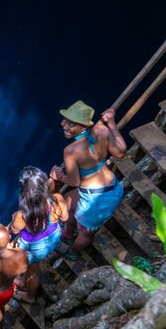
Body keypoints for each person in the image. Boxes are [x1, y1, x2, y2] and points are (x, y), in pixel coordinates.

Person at [51, 101, 127, 258]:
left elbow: (74, 182)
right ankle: (67, 235)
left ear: (83, 127)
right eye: (65, 120)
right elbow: (120, 153)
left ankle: (71, 252)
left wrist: (59, 176)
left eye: (72, 124)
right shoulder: (102, 130)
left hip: (97, 199)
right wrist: (111, 124)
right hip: (113, 187)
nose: (65, 126)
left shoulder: (71, 151)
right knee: (69, 201)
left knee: (86, 233)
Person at [8, 167, 67, 301]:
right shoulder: (56, 199)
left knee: (33, 272)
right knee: (32, 265)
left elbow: (15, 230)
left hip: (35, 249)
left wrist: (13, 221)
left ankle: (29, 296)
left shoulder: (22, 215)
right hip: (54, 239)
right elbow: (64, 218)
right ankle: (24, 281)